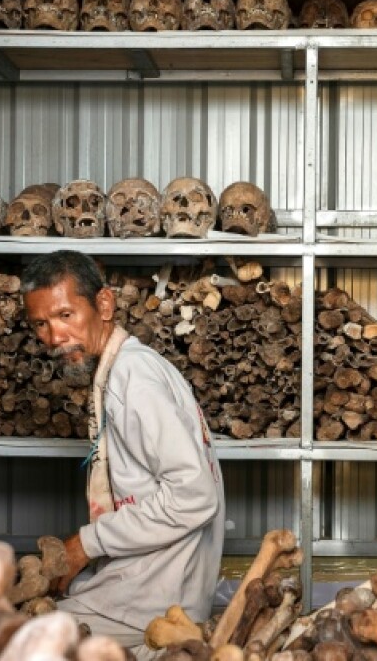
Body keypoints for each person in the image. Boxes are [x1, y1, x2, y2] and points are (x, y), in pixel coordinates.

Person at [21, 250, 225, 658]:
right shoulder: (119, 370)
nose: (54, 337)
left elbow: (194, 495)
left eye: (65, 315)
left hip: (149, 606)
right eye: (41, 324)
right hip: (137, 593)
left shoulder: (134, 378)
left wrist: (86, 544)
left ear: (104, 304)